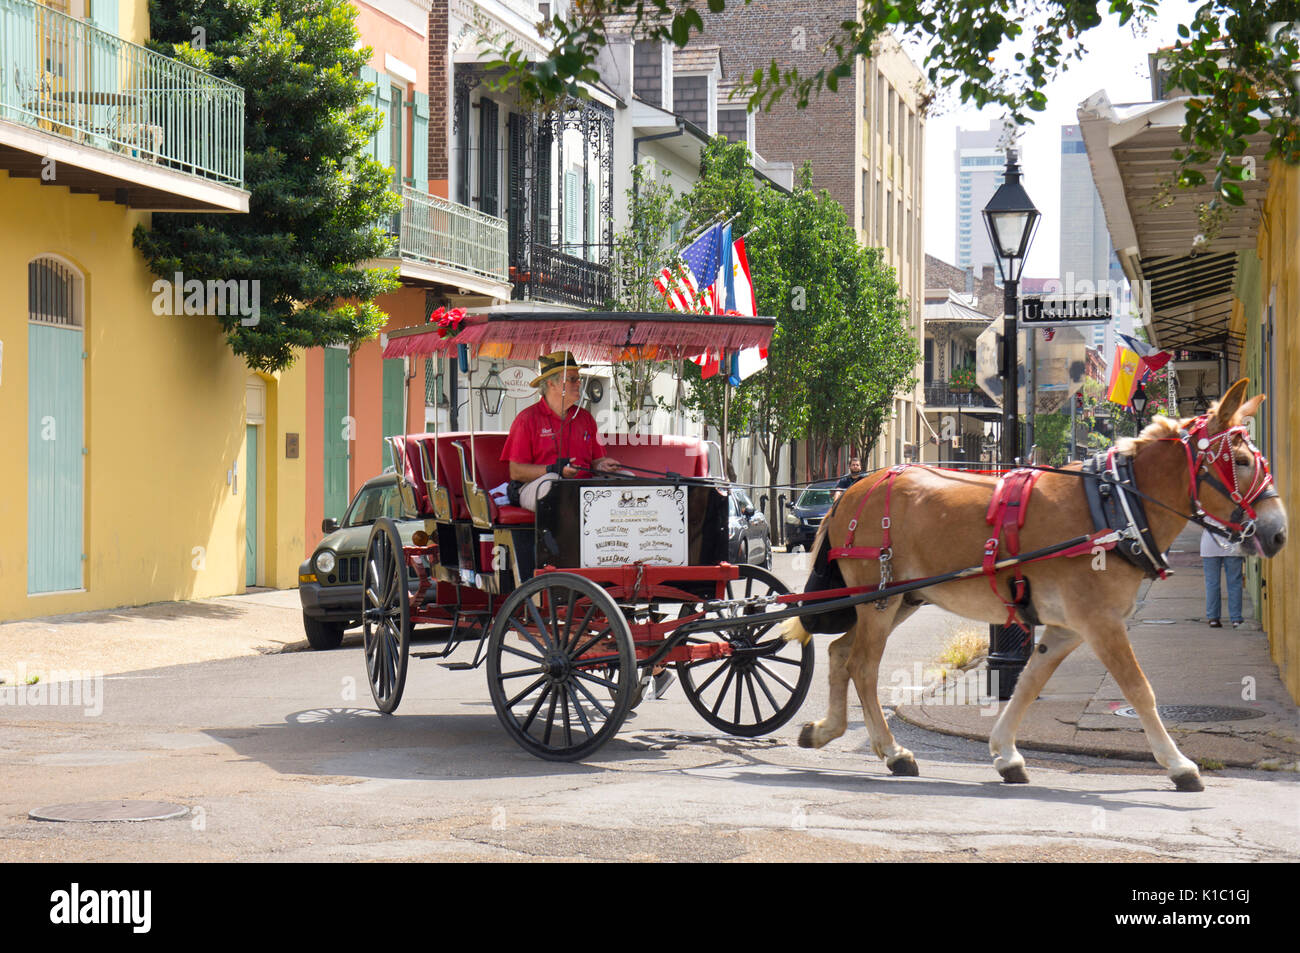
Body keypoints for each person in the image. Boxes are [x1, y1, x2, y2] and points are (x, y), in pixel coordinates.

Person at [501, 351, 622, 511]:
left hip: (581, 488)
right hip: (536, 486)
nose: (579, 383)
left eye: (578, 378)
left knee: (627, 480)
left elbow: (596, 461)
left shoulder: (585, 417)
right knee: (554, 482)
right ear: (551, 383)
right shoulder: (527, 419)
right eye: (573, 379)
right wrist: (551, 469)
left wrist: (603, 466)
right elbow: (516, 472)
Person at [1201, 527, 1246, 628]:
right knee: (1234, 583)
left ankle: (1213, 618)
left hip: (1210, 543)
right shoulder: (1234, 509)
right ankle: (1236, 619)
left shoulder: (1205, 510)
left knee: (1212, 583)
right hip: (1233, 544)